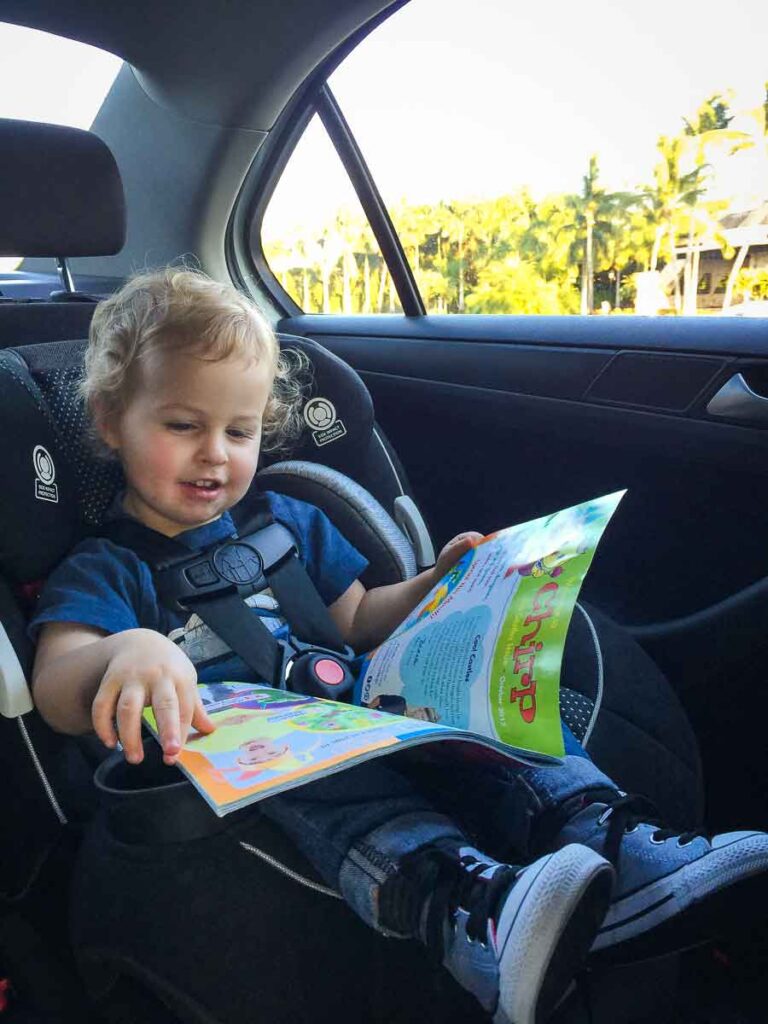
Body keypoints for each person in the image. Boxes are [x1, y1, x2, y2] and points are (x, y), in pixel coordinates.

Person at [29, 269, 768, 1024]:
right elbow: (56, 687)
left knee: (489, 725)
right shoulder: (107, 568)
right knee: (338, 789)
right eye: (183, 427)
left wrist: (439, 584)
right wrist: (127, 653)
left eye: (240, 431)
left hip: (355, 704)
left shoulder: (285, 520)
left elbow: (356, 620)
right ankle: (463, 908)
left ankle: (612, 838)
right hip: (243, 752)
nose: (216, 455)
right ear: (112, 419)